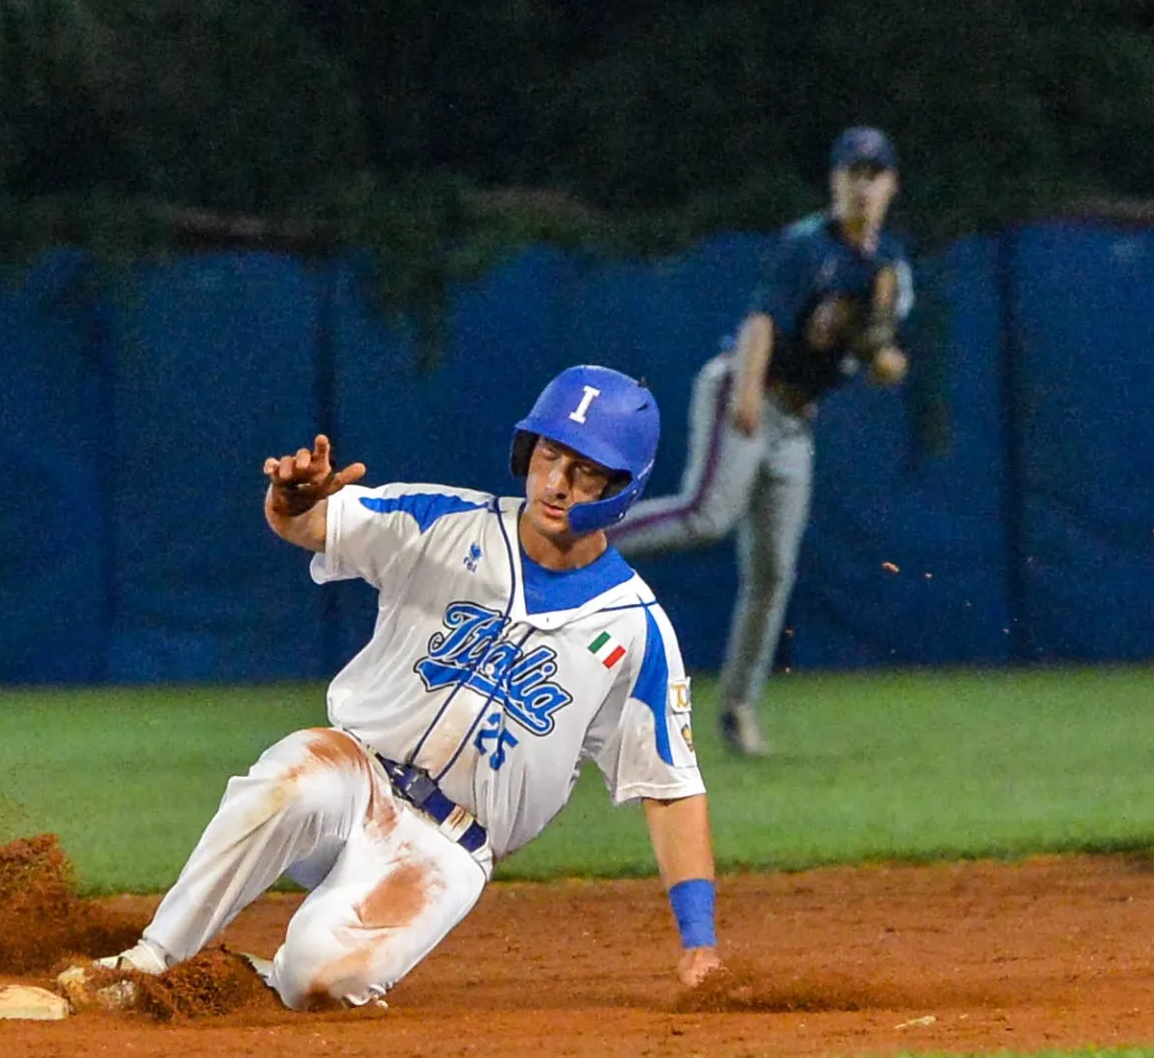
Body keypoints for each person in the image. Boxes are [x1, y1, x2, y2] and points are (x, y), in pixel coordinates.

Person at [59, 366, 723, 1011]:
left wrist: (699, 944)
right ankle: (151, 959)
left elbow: (671, 790)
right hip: (355, 775)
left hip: (445, 848)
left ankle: (262, 976)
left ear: (621, 487)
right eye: (549, 454)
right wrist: (292, 499)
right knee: (290, 783)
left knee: (318, 983)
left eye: (584, 472)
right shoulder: (444, 519)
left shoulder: (635, 630)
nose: (556, 482)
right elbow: (309, 524)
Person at [606, 126, 913, 757]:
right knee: (707, 515)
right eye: (852, 172)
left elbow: (885, 362)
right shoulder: (807, 246)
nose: (863, 184)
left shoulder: (890, 269)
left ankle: (739, 711)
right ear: (835, 181)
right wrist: (747, 390)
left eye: (874, 174)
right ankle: (585, 536)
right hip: (747, 388)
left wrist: (882, 354)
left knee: (773, 570)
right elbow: (764, 319)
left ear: (891, 186)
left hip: (798, 423)